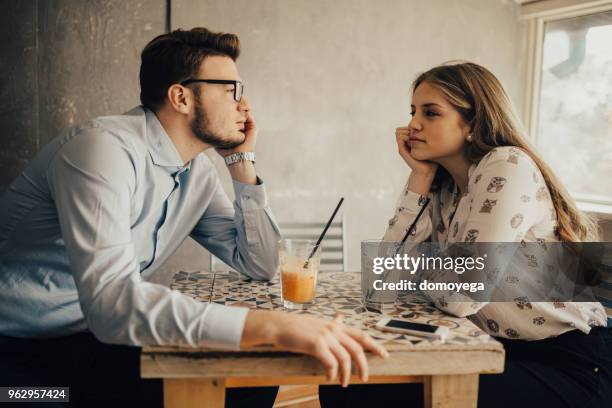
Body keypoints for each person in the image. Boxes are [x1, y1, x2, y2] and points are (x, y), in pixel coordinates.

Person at [0, 27, 387, 408]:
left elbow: (261, 263)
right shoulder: (101, 151)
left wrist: (240, 161)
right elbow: (110, 303)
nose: (244, 105)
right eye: (231, 90)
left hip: (98, 343)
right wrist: (272, 325)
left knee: (245, 381)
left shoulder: (194, 172)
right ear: (181, 97)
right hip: (19, 355)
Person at [319, 61, 612, 407]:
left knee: (368, 394)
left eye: (431, 113)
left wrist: (418, 273)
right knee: (346, 384)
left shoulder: (507, 166)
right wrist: (419, 180)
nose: (412, 124)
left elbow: (461, 297)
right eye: (413, 111)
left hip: (568, 361)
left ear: (473, 123)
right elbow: (380, 283)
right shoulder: (442, 186)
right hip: (487, 345)